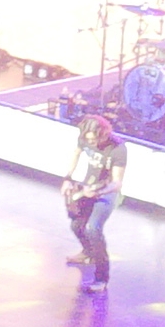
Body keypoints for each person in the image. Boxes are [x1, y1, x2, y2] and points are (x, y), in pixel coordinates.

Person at [65, 116, 127, 291]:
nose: (91, 142)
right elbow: (76, 153)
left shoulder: (118, 148)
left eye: (94, 139)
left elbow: (117, 183)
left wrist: (98, 192)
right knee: (77, 225)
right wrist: (67, 177)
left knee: (93, 228)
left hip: (106, 193)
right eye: (88, 139)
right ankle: (88, 253)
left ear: (104, 134)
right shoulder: (85, 137)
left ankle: (102, 279)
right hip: (89, 187)